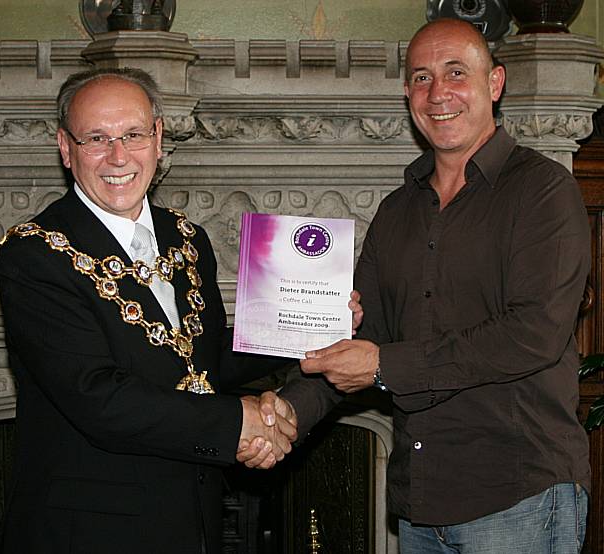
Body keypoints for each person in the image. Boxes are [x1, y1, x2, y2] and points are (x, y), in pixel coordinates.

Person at [253, 18, 592, 553]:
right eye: (420, 77)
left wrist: (385, 365)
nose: (439, 94)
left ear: (495, 83)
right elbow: (361, 340)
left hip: (517, 496)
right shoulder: (396, 212)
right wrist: (289, 411)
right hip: (419, 504)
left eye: (456, 73)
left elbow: (531, 333)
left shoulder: (543, 191)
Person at [0, 67, 301, 554]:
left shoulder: (188, 238)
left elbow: (205, 362)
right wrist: (235, 423)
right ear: (65, 148)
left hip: (190, 519)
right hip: (88, 533)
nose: (119, 156)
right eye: (97, 138)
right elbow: (97, 398)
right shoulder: (34, 255)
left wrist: (307, 327)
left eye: (133, 134)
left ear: (158, 138)